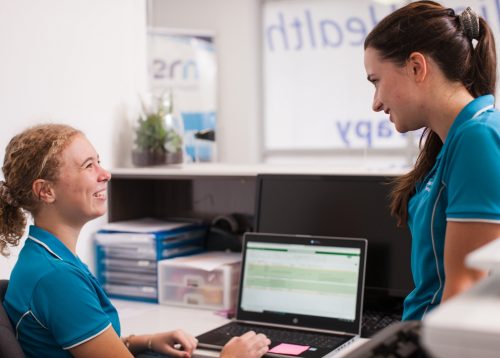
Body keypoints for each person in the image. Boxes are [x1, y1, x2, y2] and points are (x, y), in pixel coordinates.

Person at [0, 124, 270, 358]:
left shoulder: (45, 257)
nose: (105, 174)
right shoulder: (56, 277)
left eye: (99, 161)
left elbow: (76, 345)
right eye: (88, 166)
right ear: (46, 190)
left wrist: (145, 341)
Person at [364, 0, 500, 320]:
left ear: (416, 67)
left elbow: (465, 288)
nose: (375, 102)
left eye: (376, 81)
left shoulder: (477, 138)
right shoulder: (451, 141)